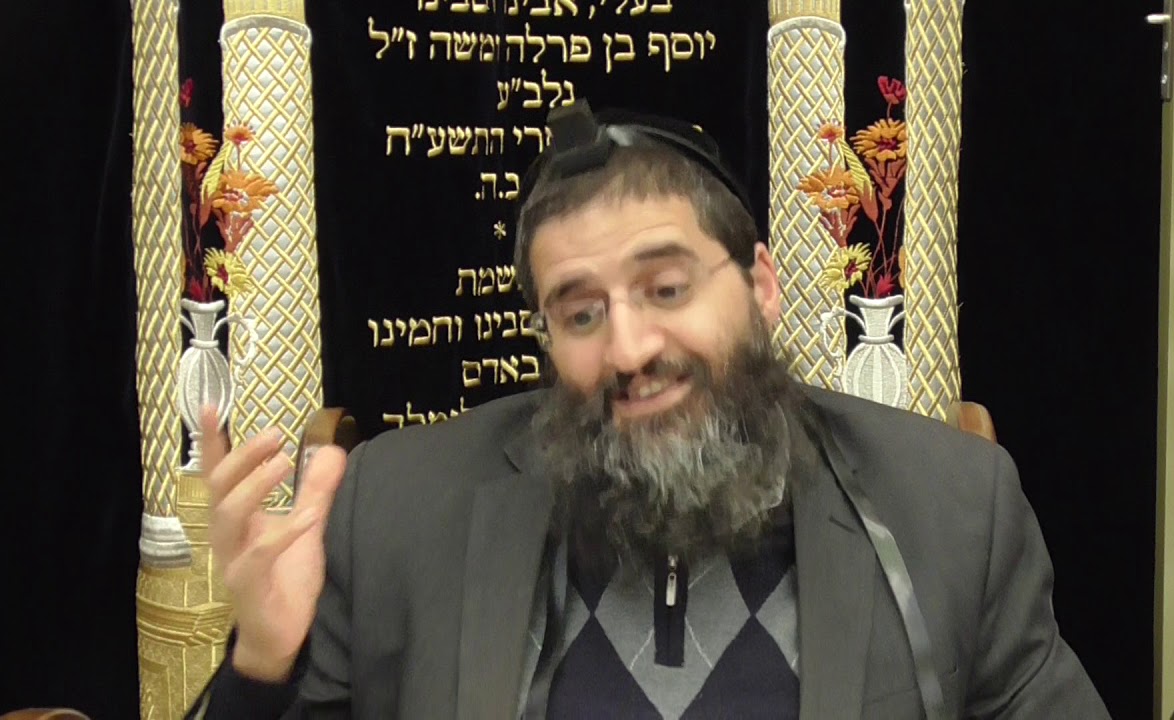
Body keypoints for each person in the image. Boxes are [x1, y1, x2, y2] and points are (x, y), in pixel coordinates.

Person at [186, 102, 1110, 719]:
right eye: (581, 313)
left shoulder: (952, 508)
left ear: (761, 286)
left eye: (667, 288)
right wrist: (261, 668)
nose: (628, 349)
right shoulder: (398, 510)